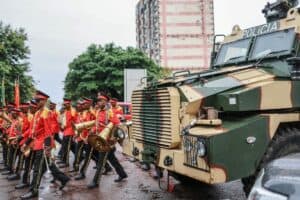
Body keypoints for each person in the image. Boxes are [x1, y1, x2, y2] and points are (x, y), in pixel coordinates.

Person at [20, 90, 70, 199]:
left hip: (43, 145)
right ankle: (64, 179)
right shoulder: (37, 113)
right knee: (48, 166)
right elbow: (33, 132)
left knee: (37, 169)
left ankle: (34, 191)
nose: (36, 102)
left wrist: (47, 148)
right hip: (36, 144)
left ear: (44, 101)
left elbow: (49, 132)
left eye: (38, 100)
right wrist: (26, 143)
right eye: (35, 100)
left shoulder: (47, 113)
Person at [87, 94, 127, 189]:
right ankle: (122, 174)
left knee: (101, 162)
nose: (99, 102)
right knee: (112, 159)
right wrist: (93, 129)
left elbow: (117, 124)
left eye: (101, 100)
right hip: (100, 139)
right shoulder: (98, 111)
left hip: (107, 141)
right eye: (98, 100)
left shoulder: (110, 112)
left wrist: (114, 137)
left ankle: (95, 181)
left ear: (105, 102)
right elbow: (97, 124)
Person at [57, 98, 77, 168]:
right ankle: (63, 160)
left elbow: (75, 121)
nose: (65, 105)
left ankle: (66, 162)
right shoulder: (66, 111)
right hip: (65, 131)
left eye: (66, 104)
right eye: (64, 104)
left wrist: (75, 132)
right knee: (66, 147)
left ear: (69, 104)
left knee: (67, 148)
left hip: (70, 132)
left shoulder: (73, 111)